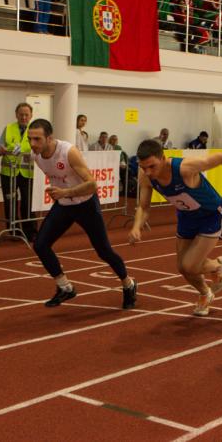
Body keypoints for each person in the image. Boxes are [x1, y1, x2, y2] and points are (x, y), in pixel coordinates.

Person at [27, 119, 137, 309]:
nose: (33, 144)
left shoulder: (68, 152)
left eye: (37, 139)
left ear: (49, 138)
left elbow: (93, 184)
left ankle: (128, 284)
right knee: (41, 245)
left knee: (104, 251)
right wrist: (62, 195)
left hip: (85, 204)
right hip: (64, 205)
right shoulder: (36, 156)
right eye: (30, 139)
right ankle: (65, 287)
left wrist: (66, 192)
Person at [130, 140, 222, 316]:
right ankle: (206, 294)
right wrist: (136, 227)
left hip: (211, 214)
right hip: (186, 216)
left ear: (163, 158)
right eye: (143, 167)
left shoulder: (185, 168)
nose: (148, 172)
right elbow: (144, 207)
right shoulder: (145, 175)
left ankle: (217, 266)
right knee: (182, 268)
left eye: (152, 166)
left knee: (190, 265)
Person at [0, 103, 37, 241]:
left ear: (31, 115)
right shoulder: (8, 128)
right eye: (21, 114)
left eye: (26, 114)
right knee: (10, 202)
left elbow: (40, 149)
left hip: (27, 173)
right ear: (16, 114)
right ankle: (13, 229)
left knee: (28, 203)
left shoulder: (36, 130)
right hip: (8, 173)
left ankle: (30, 231)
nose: (24, 117)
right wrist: (0, 150)